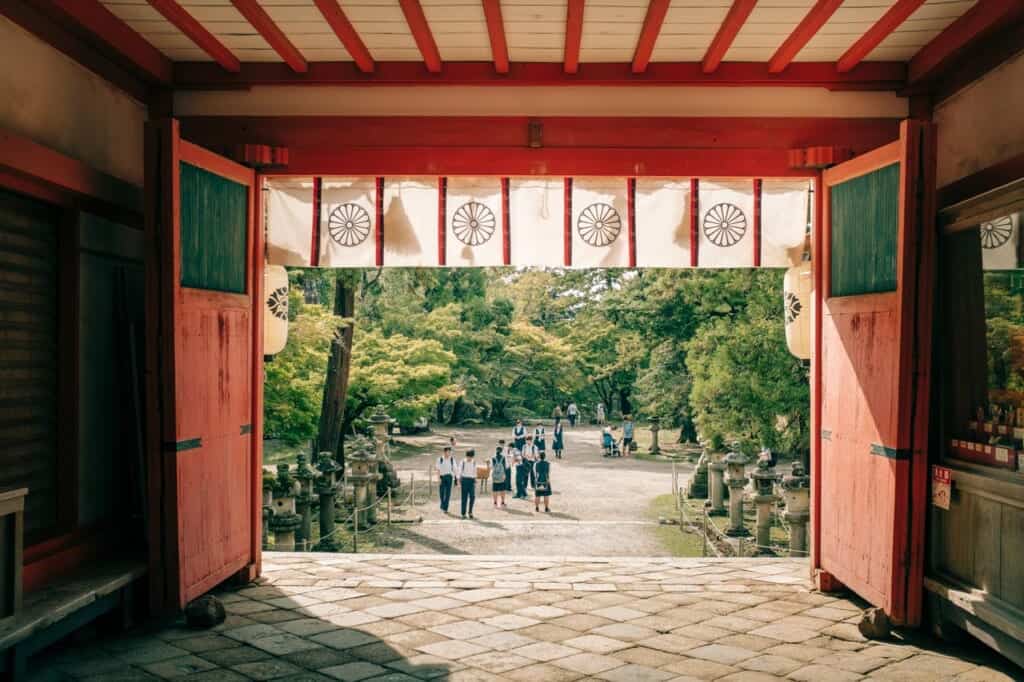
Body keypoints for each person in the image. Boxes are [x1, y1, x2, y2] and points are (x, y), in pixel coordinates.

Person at [457, 449, 478, 519]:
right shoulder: (462, 462)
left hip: (471, 480)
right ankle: (463, 513)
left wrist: (475, 480)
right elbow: (459, 472)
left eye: (471, 457)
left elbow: (475, 472)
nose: (469, 458)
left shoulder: (474, 462)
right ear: (466, 456)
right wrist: (458, 481)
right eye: (468, 457)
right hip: (464, 480)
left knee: (472, 496)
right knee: (464, 498)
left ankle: (470, 512)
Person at [491, 440, 511, 507]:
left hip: (495, 476)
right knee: (502, 490)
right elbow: (505, 467)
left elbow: (491, 467)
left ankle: (495, 502)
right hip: (502, 476)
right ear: (501, 451)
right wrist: (504, 475)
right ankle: (502, 502)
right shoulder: (503, 458)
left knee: (495, 490)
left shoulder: (493, 458)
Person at [437, 446, 456, 513]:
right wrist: (438, 478)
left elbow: (455, 469)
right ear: (444, 452)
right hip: (442, 477)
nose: (449, 453)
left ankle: (445, 508)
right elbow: (438, 469)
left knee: (448, 493)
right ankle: (442, 503)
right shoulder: (440, 459)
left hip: (449, 477)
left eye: (450, 452)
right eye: (448, 452)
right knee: (441, 492)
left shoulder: (452, 459)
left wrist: (456, 477)